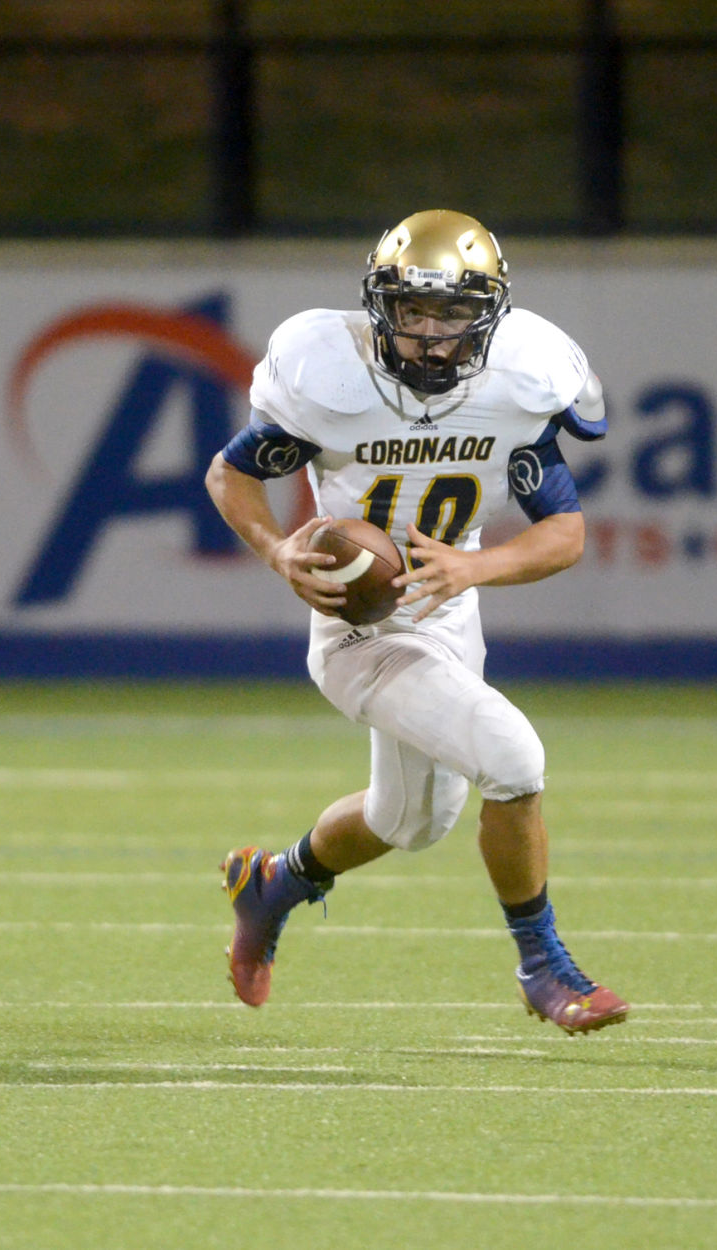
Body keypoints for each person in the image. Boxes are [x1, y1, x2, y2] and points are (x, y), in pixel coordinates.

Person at [204, 209, 628, 1035]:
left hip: (446, 609)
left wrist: (475, 565)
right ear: (379, 305)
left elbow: (566, 531)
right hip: (357, 628)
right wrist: (277, 550)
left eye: (453, 313)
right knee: (513, 757)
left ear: (491, 312)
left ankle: (272, 884)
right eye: (412, 311)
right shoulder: (328, 374)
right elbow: (232, 474)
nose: (431, 334)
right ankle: (545, 967)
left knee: (410, 821)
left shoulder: (521, 380)